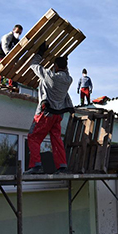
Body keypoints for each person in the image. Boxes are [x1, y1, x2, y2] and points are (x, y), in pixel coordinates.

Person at [24, 42, 74, 174]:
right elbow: (65, 70)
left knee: (33, 137)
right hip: (58, 115)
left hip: (46, 114)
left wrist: (40, 53)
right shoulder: (69, 80)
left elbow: (33, 65)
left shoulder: (49, 76)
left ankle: (35, 165)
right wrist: (64, 60)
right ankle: (62, 166)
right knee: (56, 140)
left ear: (55, 66)